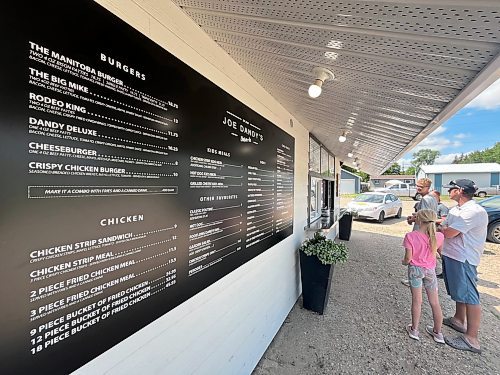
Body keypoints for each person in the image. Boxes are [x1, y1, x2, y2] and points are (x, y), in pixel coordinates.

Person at [438, 179, 488, 354]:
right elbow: (446, 225)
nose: (449, 191)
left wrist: (442, 227)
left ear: (459, 190)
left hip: (464, 258)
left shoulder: (473, 211)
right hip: (453, 255)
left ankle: (472, 339)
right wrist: (443, 225)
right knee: (459, 291)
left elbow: (450, 232)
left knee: (470, 295)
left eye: (451, 189)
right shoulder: (456, 210)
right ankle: (459, 320)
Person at [402, 209, 445, 343]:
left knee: (417, 300)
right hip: (430, 271)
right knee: (435, 302)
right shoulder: (438, 236)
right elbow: (441, 254)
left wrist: (403, 262)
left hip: (415, 270)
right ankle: (438, 333)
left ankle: (414, 330)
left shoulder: (410, 236)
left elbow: (408, 258)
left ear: (419, 220)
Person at [401, 178, 438, 286]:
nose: (418, 188)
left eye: (421, 187)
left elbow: (424, 216)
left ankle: (416, 277)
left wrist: (412, 219)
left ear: (428, 188)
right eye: (417, 186)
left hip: (421, 229)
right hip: (428, 229)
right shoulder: (432, 198)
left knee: (416, 254)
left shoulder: (425, 199)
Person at [430, 190, 449, 279]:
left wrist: (431, 220)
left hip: (438, 233)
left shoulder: (442, 207)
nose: (432, 199)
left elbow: (444, 220)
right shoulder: (431, 206)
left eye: (434, 197)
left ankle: (446, 271)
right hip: (431, 232)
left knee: (441, 253)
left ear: (438, 197)